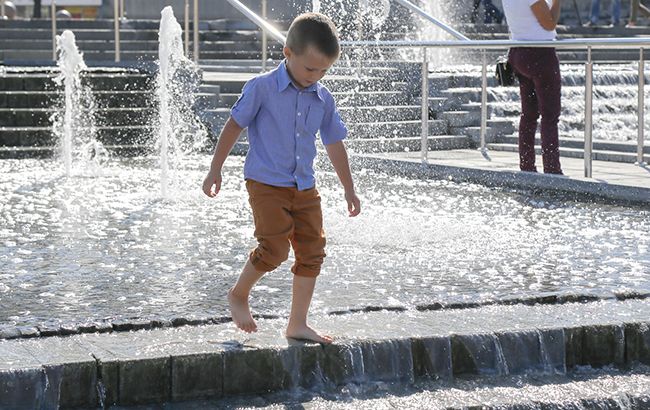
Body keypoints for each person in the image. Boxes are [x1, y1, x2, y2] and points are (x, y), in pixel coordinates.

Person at [202, 12, 361, 344]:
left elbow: (334, 143)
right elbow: (234, 126)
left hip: (304, 187)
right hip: (266, 184)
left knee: (313, 252)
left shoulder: (323, 98)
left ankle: (297, 324)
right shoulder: (262, 88)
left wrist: (349, 188)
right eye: (309, 68)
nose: (315, 76)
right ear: (287, 53)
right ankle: (238, 294)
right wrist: (215, 168)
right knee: (274, 249)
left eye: (323, 71)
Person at [501, 0, 563, 174]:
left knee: (528, 115)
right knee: (550, 115)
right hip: (540, 54)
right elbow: (549, 24)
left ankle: (527, 165)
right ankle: (551, 168)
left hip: (519, 52)